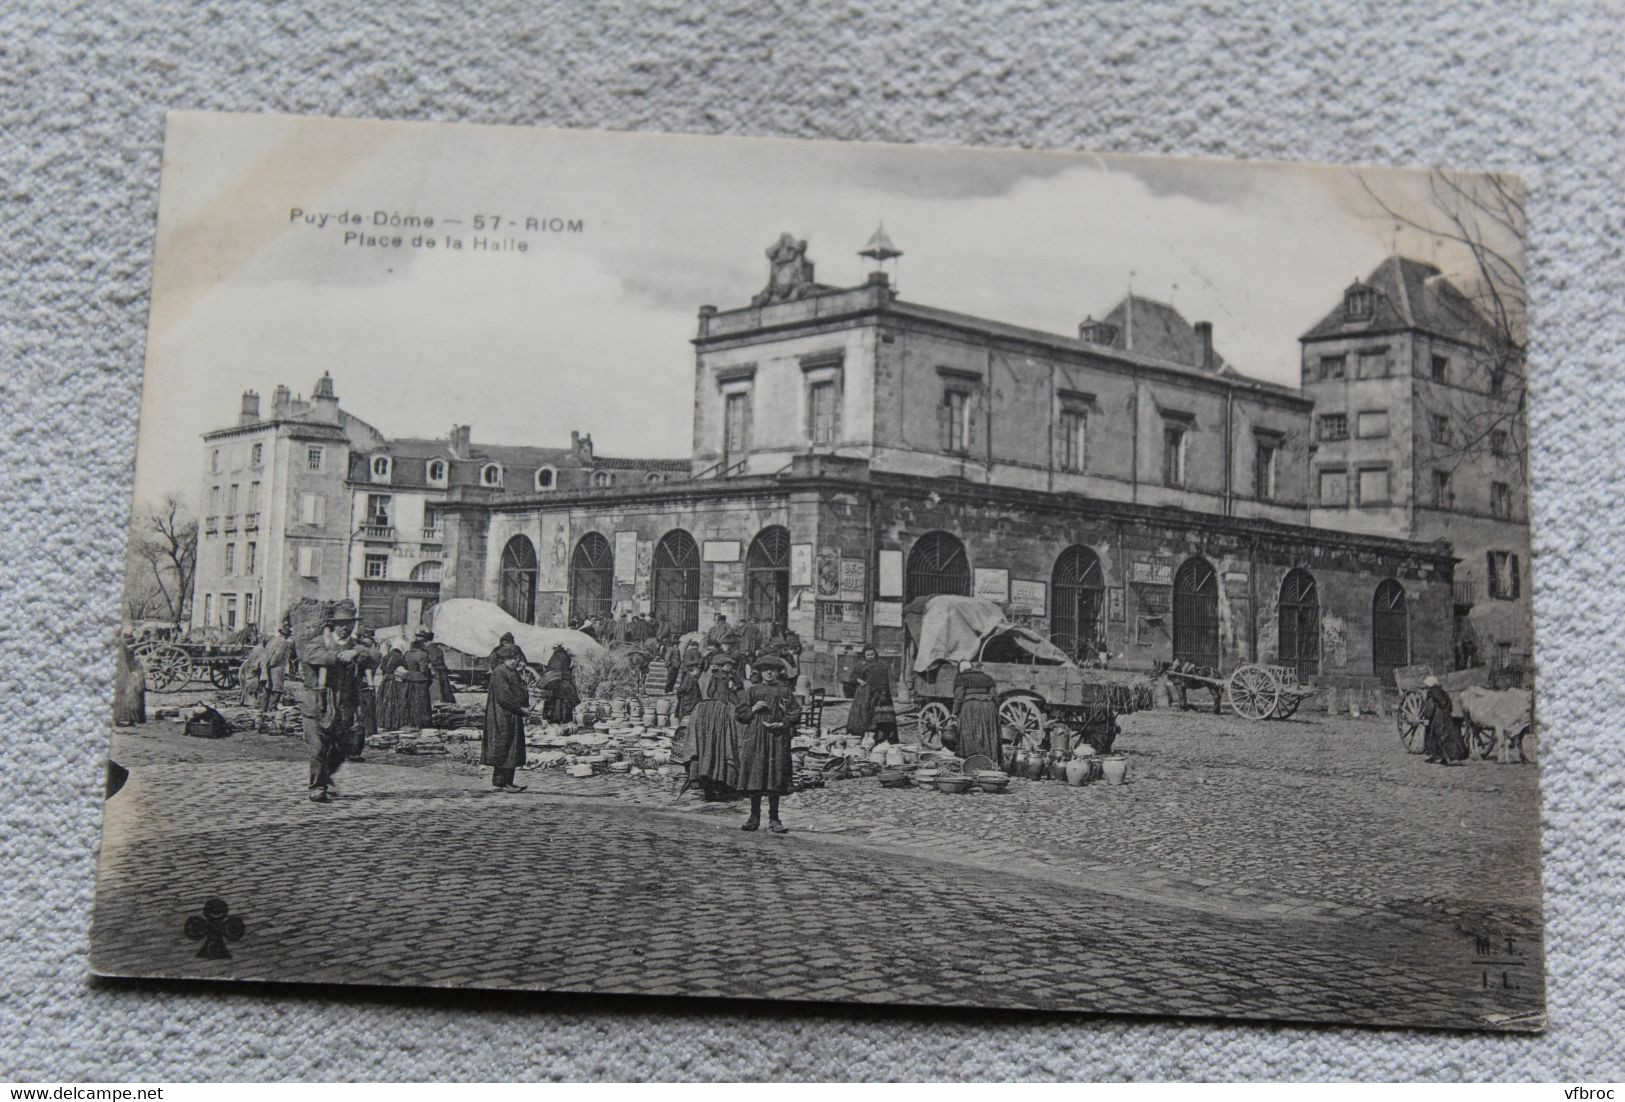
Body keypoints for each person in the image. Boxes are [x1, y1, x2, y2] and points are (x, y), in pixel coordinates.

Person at [297, 610, 363, 803]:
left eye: (349, 624)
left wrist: (358, 652)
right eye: (341, 624)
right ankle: (317, 787)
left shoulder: (355, 644)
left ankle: (326, 774)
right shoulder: (318, 642)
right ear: (333, 625)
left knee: (343, 746)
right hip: (317, 702)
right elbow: (313, 656)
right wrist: (340, 656)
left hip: (344, 704)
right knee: (318, 747)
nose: (346, 628)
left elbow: (374, 655)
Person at [733, 656, 801, 834]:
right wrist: (754, 708)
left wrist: (783, 724)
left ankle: (774, 818)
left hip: (777, 737)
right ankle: (753, 816)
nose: (769, 673)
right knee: (756, 773)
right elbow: (740, 714)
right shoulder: (752, 691)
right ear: (760, 672)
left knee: (775, 774)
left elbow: (796, 713)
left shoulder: (785, 691)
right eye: (765, 670)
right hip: (756, 736)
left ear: (779, 672)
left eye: (773, 670)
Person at [682, 653, 742, 800]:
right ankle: (714, 785)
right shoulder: (715, 676)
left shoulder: (724, 677)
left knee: (713, 748)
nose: (730, 668)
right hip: (716, 713)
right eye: (728, 665)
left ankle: (714, 784)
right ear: (721, 665)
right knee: (716, 747)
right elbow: (710, 693)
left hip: (715, 712)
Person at [483, 651, 529, 792]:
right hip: (502, 715)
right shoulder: (500, 672)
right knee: (505, 747)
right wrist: (520, 709)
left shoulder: (512, 671)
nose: (517, 661)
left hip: (511, 714)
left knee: (512, 748)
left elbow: (518, 691)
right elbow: (504, 697)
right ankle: (503, 782)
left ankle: (506, 781)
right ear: (511, 658)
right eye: (516, 658)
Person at [952, 660, 1002, 765]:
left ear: (961, 669)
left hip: (971, 707)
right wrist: (995, 711)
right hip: (989, 707)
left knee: (970, 734)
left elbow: (959, 697)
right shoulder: (987, 677)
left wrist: (955, 712)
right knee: (988, 734)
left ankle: (973, 762)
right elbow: (994, 696)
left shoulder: (961, 678)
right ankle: (989, 762)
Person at [846, 644, 898, 744]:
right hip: (863, 695)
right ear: (864, 655)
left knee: (880, 716)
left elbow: (885, 680)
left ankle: (880, 738)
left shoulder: (880, 665)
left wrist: (883, 693)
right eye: (868, 655)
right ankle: (860, 737)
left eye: (872, 654)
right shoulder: (860, 665)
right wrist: (859, 680)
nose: (870, 657)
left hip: (878, 695)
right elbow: (852, 677)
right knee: (861, 716)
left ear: (875, 654)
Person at [1420, 675, 1466, 765]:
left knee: (1436, 735)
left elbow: (1430, 706)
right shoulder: (1441, 691)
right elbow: (1448, 702)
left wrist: (1427, 717)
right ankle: (1444, 757)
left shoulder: (1431, 692)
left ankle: (1443, 756)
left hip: (1437, 716)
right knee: (1446, 734)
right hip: (1445, 715)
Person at [401, 634, 436, 728]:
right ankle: (423, 723)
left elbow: (404, 665)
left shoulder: (407, 653)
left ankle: (411, 722)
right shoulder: (423, 654)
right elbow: (423, 669)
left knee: (411, 702)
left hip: (409, 678)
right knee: (422, 702)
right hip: (420, 680)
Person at [112, 633, 146, 726]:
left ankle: (126, 718)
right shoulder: (122, 645)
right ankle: (131, 718)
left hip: (127, 674)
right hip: (130, 672)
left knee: (127, 697)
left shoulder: (120, 646)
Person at [260, 623, 293, 717]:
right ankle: (272, 707)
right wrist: (274, 664)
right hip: (277, 666)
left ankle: (263, 708)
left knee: (268, 686)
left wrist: (268, 665)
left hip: (268, 665)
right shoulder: (284, 642)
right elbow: (278, 654)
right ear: (287, 634)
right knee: (278, 688)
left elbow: (265, 652)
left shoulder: (273, 640)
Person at [376, 640, 410, 730]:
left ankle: (384, 722)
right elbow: (403, 669)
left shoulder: (386, 656)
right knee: (395, 702)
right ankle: (394, 722)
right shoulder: (400, 657)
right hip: (394, 681)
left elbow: (383, 670)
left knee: (385, 701)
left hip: (385, 681)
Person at [542, 644, 579, 723]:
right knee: (566, 701)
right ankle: (565, 720)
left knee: (556, 701)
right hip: (567, 681)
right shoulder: (566, 656)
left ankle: (555, 720)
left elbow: (553, 669)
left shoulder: (555, 656)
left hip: (558, 681)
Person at [423, 631, 457, 703]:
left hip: (437, 670)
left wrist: (429, 663)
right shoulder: (435, 648)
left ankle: (440, 701)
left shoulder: (431, 648)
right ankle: (446, 700)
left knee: (439, 688)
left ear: (427, 641)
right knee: (444, 687)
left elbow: (434, 659)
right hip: (440, 669)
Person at [239, 637, 265, 709]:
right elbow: (261, 662)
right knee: (253, 685)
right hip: (254, 667)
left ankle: (245, 701)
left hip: (250, 666)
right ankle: (251, 703)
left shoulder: (257, 647)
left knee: (248, 684)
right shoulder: (261, 650)